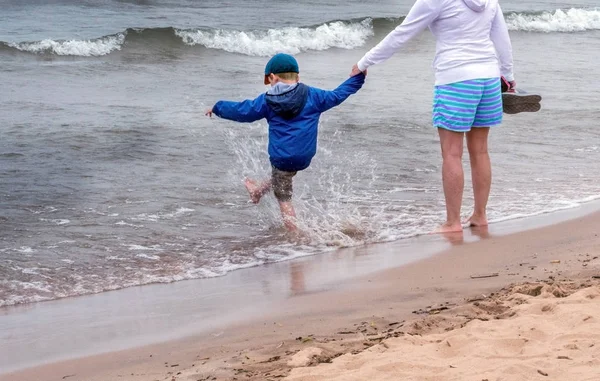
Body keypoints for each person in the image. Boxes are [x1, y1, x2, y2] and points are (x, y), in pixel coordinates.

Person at [351, 0, 515, 233]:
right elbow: (502, 37)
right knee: (480, 151)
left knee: (451, 153)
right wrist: (508, 75)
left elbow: (403, 33)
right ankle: (480, 215)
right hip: (488, 77)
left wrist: (364, 62)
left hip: (456, 77)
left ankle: (453, 222)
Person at [206, 53, 365, 231]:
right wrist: (358, 78)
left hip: (282, 158)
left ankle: (295, 237)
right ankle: (257, 191)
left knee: (284, 198)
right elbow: (338, 95)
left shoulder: (267, 101)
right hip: (305, 156)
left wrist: (218, 107)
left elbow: (243, 111)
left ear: (273, 77)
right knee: (282, 174)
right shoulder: (314, 95)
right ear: (297, 77)